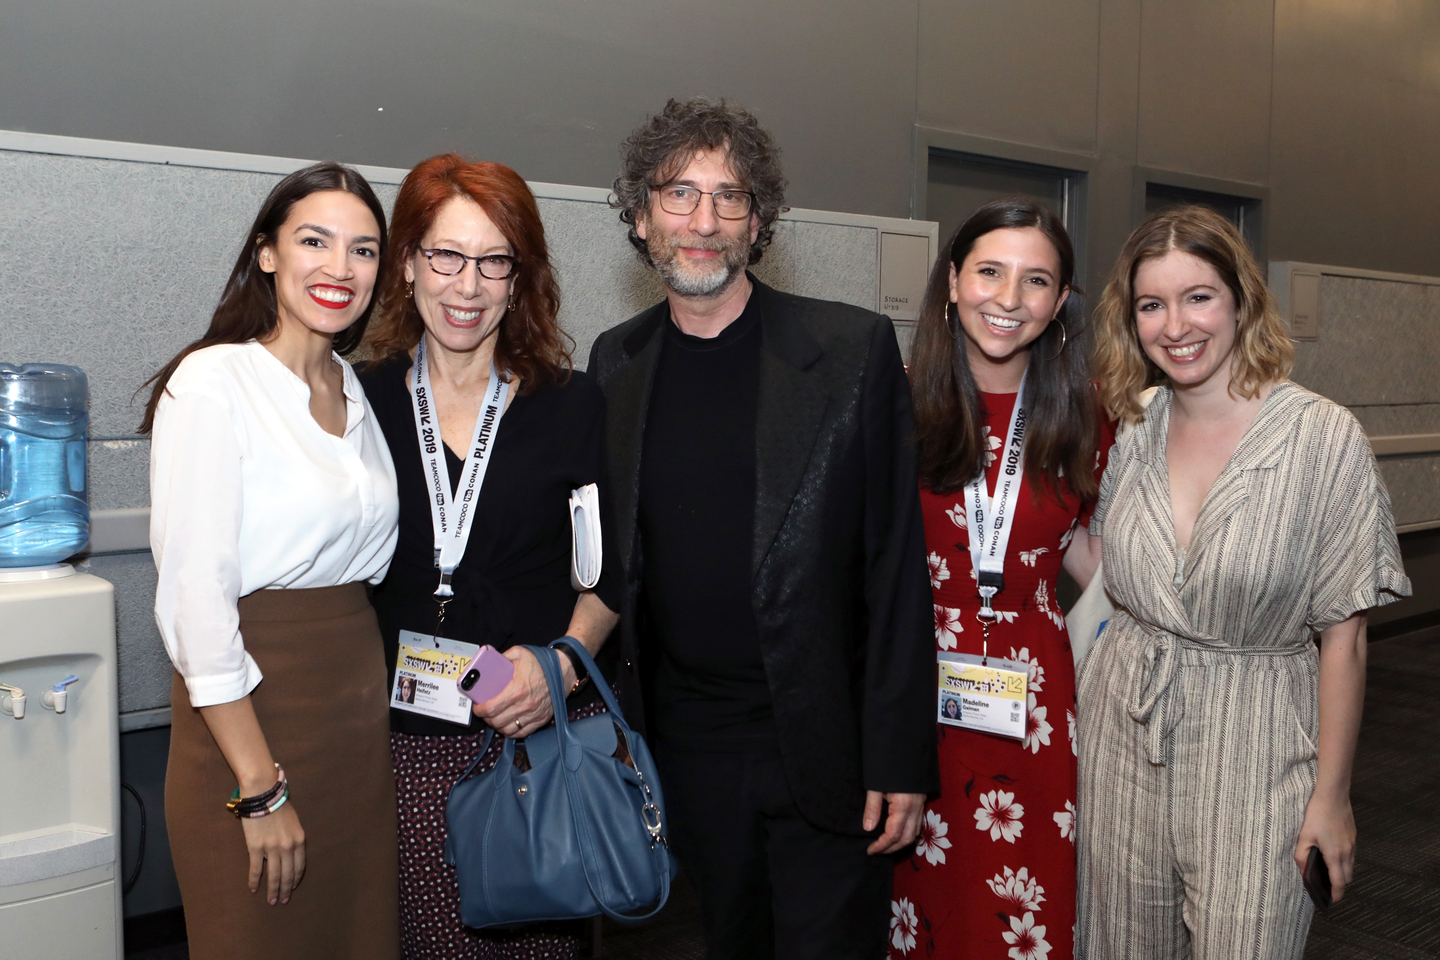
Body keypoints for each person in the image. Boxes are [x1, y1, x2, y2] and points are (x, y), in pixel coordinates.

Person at [588, 96, 937, 960]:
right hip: (681, 752)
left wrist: (901, 756)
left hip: (827, 752)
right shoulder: (612, 363)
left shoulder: (850, 352)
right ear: (641, 217)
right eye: (678, 194)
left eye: (730, 197)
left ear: (759, 221)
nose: (703, 221)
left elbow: (897, 569)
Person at [1074, 206, 1411, 958]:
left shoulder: (1322, 439)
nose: (1176, 325)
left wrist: (1332, 797)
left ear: (1241, 300)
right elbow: (1128, 578)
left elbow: (1345, 640)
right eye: (1151, 304)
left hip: (1258, 740)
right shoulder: (1136, 424)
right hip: (1122, 726)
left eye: (1198, 296)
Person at [358, 154, 620, 960]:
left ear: (520, 277)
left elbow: (612, 576)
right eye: (445, 256)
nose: (466, 286)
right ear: (407, 264)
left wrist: (563, 667)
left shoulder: (572, 404)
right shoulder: (356, 401)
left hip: (538, 739)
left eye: (493, 261)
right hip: (399, 743)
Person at [143, 162, 400, 959]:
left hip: (355, 736)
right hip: (252, 736)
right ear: (267, 253)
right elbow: (196, 604)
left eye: (362, 251)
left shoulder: (357, 392)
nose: (340, 268)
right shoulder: (216, 381)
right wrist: (260, 791)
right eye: (314, 241)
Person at [888, 199, 1110, 960]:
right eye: (990, 272)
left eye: (1036, 281)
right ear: (952, 282)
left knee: (1030, 907)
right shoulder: (890, 400)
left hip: (1040, 706)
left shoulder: (1086, 414)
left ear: (1059, 302)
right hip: (911, 693)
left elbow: (1091, 551)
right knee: (918, 912)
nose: (1010, 300)